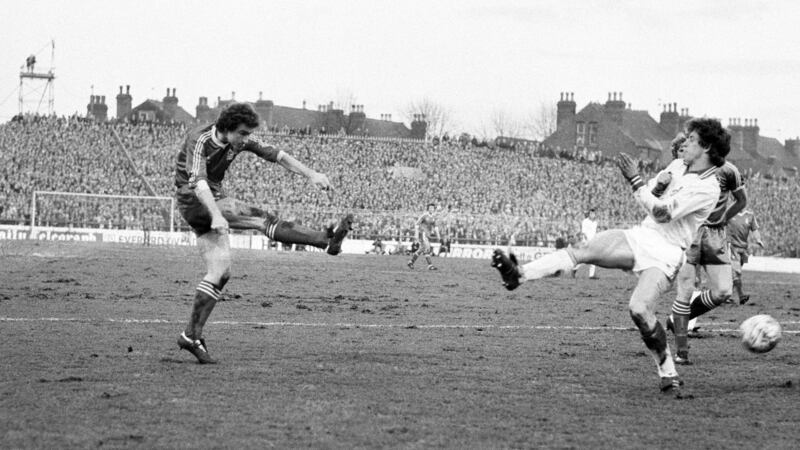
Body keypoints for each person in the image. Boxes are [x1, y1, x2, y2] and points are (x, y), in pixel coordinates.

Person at [491, 118, 729, 394]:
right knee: (582, 250)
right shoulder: (678, 165)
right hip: (642, 236)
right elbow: (651, 195)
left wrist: (636, 179)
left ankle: (667, 371)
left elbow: (663, 212)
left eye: (691, 140)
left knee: (639, 309)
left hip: (667, 252)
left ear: (707, 147)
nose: (683, 143)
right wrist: (658, 183)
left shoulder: (708, 187)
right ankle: (518, 275)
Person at [174, 102, 353, 364]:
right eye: (243, 134)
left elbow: (277, 155)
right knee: (261, 219)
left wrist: (311, 174)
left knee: (220, 272)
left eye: (248, 134)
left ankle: (190, 335)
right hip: (195, 199)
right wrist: (215, 214)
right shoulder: (200, 139)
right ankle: (324, 241)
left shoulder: (238, 139)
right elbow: (199, 183)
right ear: (227, 129)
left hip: (214, 198)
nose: (247, 139)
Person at [667, 132, 747, 364]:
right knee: (685, 289)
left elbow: (741, 201)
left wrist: (723, 217)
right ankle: (682, 353)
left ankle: (677, 319)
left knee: (723, 291)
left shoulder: (728, 170)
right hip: (688, 233)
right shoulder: (677, 171)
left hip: (715, 235)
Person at [726, 208, 764, 305]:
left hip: (743, 249)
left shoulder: (750, 215)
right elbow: (721, 226)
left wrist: (758, 239)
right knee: (736, 273)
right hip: (732, 247)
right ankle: (741, 295)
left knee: (735, 274)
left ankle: (726, 296)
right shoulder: (729, 213)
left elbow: (755, 229)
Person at [407, 203, 441, 270]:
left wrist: (438, 235)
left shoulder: (433, 218)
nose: (431, 209)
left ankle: (411, 262)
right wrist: (416, 234)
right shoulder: (424, 216)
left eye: (432, 208)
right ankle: (430, 265)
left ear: (434, 209)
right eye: (430, 208)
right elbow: (416, 225)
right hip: (422, 233)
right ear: (428, 209)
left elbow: (436, 227)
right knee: (427, 247)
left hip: (426, 235)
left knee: (421, 249)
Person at [572, 209, 599, 278]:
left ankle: (591, 275)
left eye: (594, 214)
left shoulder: (595, 222)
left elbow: (595, 232)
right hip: (587, 241)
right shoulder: (585, 221)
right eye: (591, 214)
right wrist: (586, 240)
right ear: (589, 214)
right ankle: (575, 269)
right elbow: (583, 232)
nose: (593, 215)